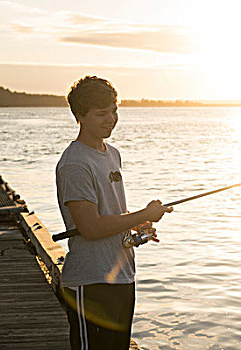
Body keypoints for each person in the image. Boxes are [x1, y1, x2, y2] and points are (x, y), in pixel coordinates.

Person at [56, 76, 172, 349]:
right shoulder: (75, 163)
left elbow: (112, 212)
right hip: (91, 280)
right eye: (102, 114)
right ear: (80, 116)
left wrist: (139, 223)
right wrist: (143, 213)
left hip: (122, 275)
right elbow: (91, 227)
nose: (111, 119)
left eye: (114, 110)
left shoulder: (112, 154)